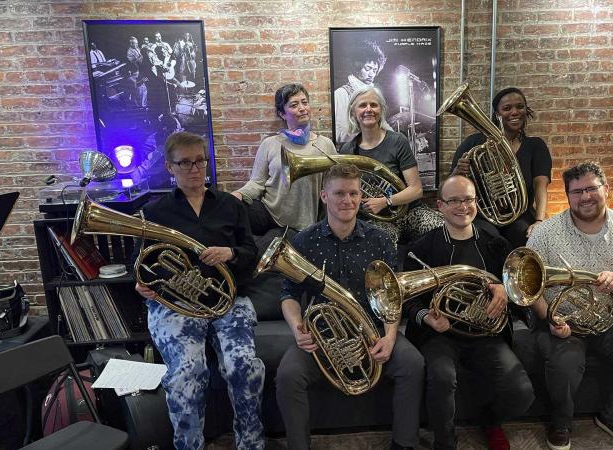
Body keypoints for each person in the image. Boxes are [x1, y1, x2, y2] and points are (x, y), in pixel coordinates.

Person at [275, 164, 424, 450]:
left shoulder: (380, 239)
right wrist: (297, 329)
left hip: (372, 330)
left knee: (412, 364)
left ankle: (404, 444)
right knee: (288, 375)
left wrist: (390, 337)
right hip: (323, 336)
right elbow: (288, 293)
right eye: (339, 193)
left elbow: (392, 295)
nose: (348, 200)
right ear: (324, 196)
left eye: (353, 193)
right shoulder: (304, 240)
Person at [134, 132, 264, 450]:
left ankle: (250, 442)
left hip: (228, 299)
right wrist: (141, 284)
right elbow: (140, 261)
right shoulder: (155, 211)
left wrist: (229, 253)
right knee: (186, 373)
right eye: (185, 162)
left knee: (243, 367)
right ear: (170, 166)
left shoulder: (230, 206)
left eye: (200, 161)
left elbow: (252, 252)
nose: (194, 168)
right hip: (177, 303)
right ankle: (189, 445)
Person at [525, 161, 613, 450]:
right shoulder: (546, 233)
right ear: (568, 196)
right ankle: (561, 422)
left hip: (612, 318)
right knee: (565, 363)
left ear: (606, 190)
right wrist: (549, 316)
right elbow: (529, 288)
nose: (585, 197)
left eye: (591, 188)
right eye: (576, 192)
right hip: (562, 319)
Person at [403, 175, 535, 450]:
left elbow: (518, 288)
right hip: (439, 335)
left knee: (521, 393)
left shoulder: (495, 244)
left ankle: (490, 420)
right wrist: (426, 316)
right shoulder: (421, 248)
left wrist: (503, 290)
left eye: (468, 199)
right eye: (454, 201)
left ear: (476, 202)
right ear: (440, 205)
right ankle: (445, 441)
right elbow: (406, 301)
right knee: (442, 377)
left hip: (486, 333)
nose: (462, 206)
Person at [339, 86, 443, 245]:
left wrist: (385, 201)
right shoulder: (348, 150)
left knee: (442, 229)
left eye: (374, 105)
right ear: (353, 112)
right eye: (362, 105)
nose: (369, 109)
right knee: (381, 243)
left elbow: (416, 190)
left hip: (410, 212)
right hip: (379, 219)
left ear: (381, 110)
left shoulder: (397, 141)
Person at [450, 87, 551, 248]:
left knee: (525, 235)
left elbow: (541, 186)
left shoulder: (536, 146)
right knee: (486, 239)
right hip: (482, 215)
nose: (515, 112)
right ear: (497, 114)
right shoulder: (473, 143)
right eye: (507, 108)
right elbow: (450, 186)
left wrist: (539, 221)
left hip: (520, 215)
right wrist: (458, 172)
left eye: (520, 106)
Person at [233, 83, 337, 235]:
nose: (302, 108)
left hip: (306, 223)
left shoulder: (325, 144)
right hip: (269, 216)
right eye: (294, 105)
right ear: (282, 114)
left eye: (305, 102)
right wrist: (237, 195)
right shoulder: (270, 144)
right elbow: (256, 183)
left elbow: (333, 186)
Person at [334, 41, 391, 144]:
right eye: (368, 68)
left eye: (374, 70)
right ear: (357, 66)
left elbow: (383, 124)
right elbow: (338, 135)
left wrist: (396, 138)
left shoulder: (374, 94)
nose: (371, 74)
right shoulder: (341, 93)